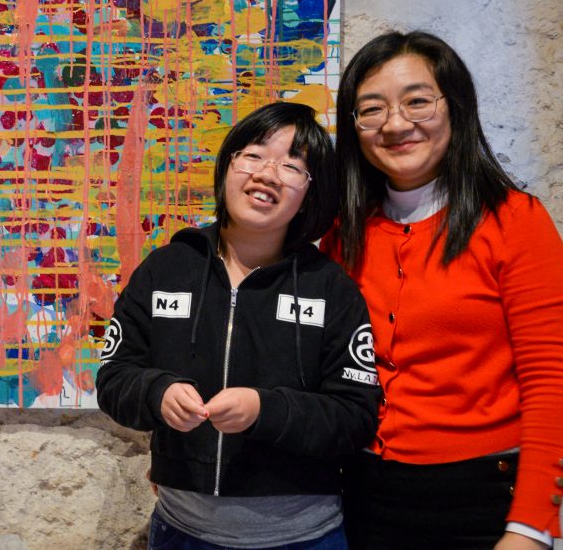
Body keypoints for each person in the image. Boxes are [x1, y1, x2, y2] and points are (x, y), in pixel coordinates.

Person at [321, 31, 563, 550]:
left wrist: (530, 528)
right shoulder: (343, 233)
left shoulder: (516, 222)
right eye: (371, 110)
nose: (396, 124)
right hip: (360, 498)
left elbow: (551, 383)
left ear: (455, 107)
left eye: (417, 101)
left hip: (481, 500)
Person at [97, 102, 380, 550]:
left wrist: (264, 410)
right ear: (229, 163)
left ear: (311, 191)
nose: (267, 173)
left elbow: (355, 415)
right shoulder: (166, 269)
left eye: (292, 166)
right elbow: (114, 378)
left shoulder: (330, 288)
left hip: (304, 537)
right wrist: (158, 392)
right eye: (253, 154)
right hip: (180, 531)